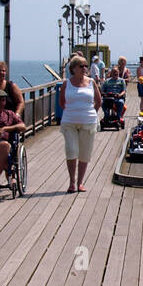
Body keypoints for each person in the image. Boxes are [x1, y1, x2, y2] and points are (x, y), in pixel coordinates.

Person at [60, 54, 102, 192]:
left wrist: (92, 113)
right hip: (69, 122)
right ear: (73, 68)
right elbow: (61, 102)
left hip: (88, 121)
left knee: (85, 153)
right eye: (81, 66)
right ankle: (72, 182)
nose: (84, 68)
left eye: (86, 66)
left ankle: (80, 182)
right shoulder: (66, 83)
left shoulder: (91, 82)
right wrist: (73, 111)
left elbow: (98, 101)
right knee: (71, 151)